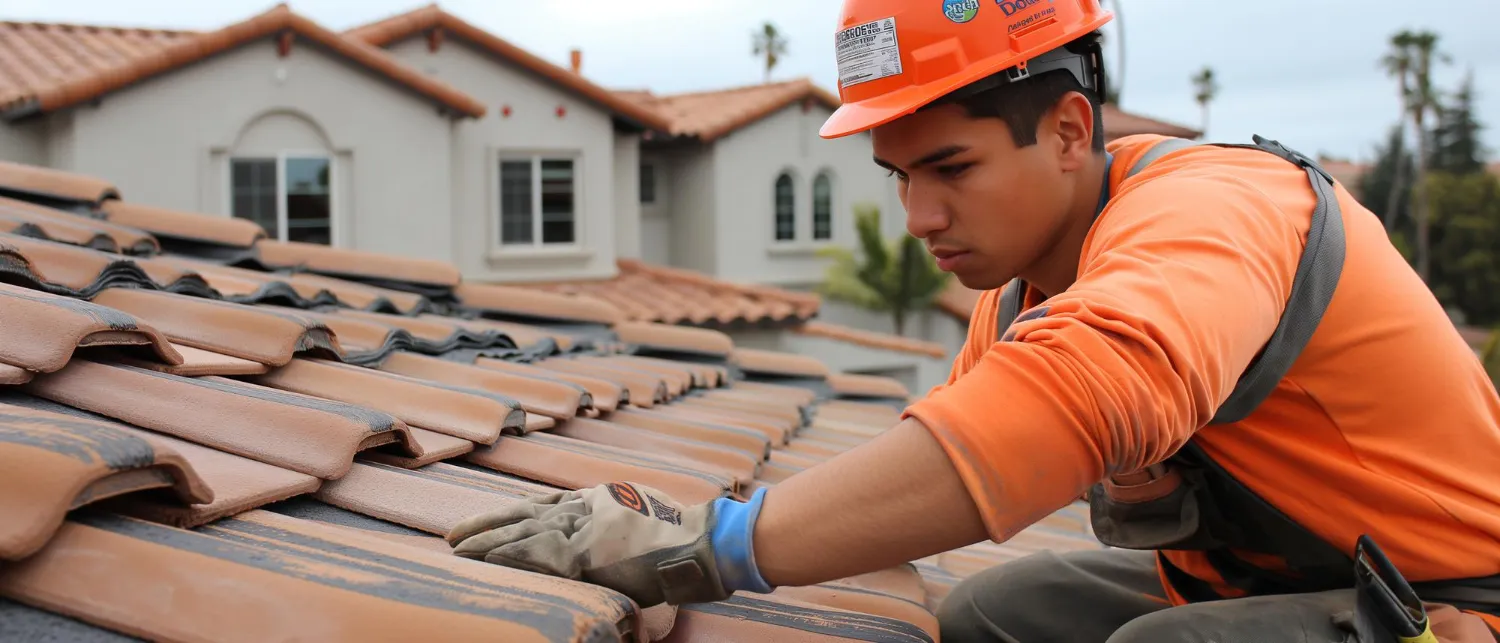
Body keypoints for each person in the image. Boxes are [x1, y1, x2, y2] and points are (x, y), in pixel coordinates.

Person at [443, 1, 1500, 641]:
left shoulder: (1216, 208)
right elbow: (936, 463)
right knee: (989, 618)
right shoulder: (1021, 292)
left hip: (1447, 608)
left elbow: (1071, 402)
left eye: (951, 168)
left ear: (1071, 130)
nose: (919, 217)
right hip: (1296, 583)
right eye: (901, 175)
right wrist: (700, 513)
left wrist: (711, 545)